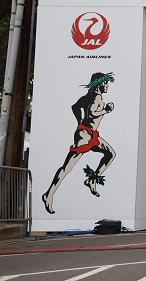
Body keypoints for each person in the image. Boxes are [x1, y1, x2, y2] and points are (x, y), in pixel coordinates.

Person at [41, 72, 116, 214]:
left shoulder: (87, 97)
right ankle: (48, 194)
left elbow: (75, 107)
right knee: (67, 167)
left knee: (110, 153)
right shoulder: (96, 97)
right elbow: (92, 113)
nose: (107, 85)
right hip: (84, 136)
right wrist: (106, 110)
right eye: (105, 83)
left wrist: (79, 121)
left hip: (90, 134)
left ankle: (92, 179)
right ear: (99, 84)